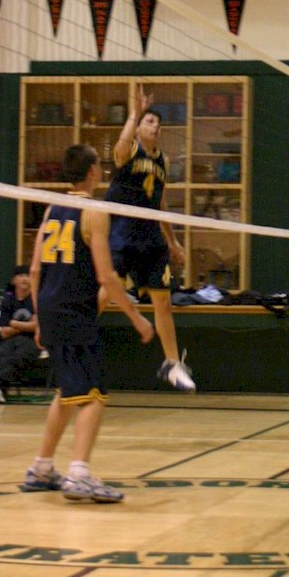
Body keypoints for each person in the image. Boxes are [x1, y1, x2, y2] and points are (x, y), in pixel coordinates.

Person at [22, 143, 154, 502]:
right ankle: (79, 474)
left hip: (50, 309)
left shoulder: (51, 208)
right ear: (93, 171)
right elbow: (106, 276)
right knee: (94, 394)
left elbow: (34, 269)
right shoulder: (93, 211)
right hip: (74, 312)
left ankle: (41, 468)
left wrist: (39, 319)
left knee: (67, 392)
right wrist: (137, 318)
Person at [105, 83, 195, 391]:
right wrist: (135, 113)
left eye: (158, 123)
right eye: (149, 121)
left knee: (163, 301)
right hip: (123, 232)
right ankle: (74, 334)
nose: (155, 126)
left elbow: (161, 201)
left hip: (151, 237)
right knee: (106, 292)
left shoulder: (163, 161)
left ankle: (172, 364)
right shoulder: (130, 149)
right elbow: (119, 150)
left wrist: (173, 240)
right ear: (139, 125)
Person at [0, 264, 41, 402]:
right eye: (21, 275)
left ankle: (0, 387)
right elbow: (4, 332)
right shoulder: (8, 301)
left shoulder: (37, 300)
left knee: (19, 355)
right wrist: (25, 325)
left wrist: (15, 324)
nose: (25, 279)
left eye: (28, 275)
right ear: (14, 280)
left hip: (32, 341)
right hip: (10, 340)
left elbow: (36, 327)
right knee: (3, 353)